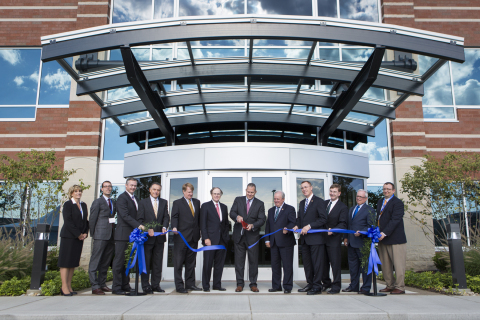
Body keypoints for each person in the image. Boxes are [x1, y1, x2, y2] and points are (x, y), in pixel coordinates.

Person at [293, 180, 328, 295]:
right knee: (307, 263)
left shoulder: (319, 201)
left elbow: (323, 219)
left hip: (316, 239)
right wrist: (297, 224)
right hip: (305, 239)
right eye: (302, 188)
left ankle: (317, 286)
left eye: (306, 187)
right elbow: (300, 218)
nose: (304, 189)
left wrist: (309, 226)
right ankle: (310, 284)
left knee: (317, 263)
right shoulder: (302, 203)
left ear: (311, 188)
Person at [230, 183, 266, 292]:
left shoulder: (260, 203)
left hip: (252, 237)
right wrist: (237, 217)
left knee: (253, 261)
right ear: (246, 190)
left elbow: (262, 219)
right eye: (248, 192)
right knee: (239, 262)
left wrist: (253, 225)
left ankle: (253, 284)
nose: (249, 194)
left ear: (255, 192)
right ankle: (239, 284)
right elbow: (231, 212)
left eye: (252, 192)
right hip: (239, 237)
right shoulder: (238, 200)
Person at [112, 178, 144, 295]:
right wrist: (138, 225)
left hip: (132, 235)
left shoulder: (136, 198)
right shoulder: (122, 198)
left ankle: (125, 285)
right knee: (119, 261)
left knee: (128, 261)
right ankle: (116, 287)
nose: (133, 187)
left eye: (135, 186)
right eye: (131, 185)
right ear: (126, 186)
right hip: (122, 235)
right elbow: (125, 216)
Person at [137, 182, 169, 294]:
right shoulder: (142, 203)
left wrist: (164, 227)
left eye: (158, 190)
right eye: (154, 189)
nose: (156, 192)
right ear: (150, 190)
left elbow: (166, 217)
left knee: (157, 262)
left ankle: (156, 285)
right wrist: (146, 229)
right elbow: (139, 219)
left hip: (159, 238)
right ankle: (145, 286)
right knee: (146, 262)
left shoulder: (164, 202)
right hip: (147, 239)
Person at [58, 185, 89, 296]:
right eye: (76, 191)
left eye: (80, 191)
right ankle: (64, 287)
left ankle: (69, 286)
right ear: (71, 193)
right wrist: (78, 234)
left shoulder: (83, 205)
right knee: (65, 262)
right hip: (69, 237)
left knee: (73, 262)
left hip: (79, 238)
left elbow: (85, 221)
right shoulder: (67, 204)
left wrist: (85, 233)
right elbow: (68, 221)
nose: (78, 193)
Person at [342, 189, 375, 294]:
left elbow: (371, 226)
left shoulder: (369, 210)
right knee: (353, 267)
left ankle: (365, 288)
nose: (358, 198)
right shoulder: (352, 209)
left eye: (361, 197)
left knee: (365, 267)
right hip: (351, 242)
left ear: (365, 198)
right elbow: (349, 225)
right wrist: (346, 237)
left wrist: (361, 232)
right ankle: (354, 286)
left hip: (362, 243)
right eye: (357, 196)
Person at [377, 182, 407, 294]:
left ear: (393, 190)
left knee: (398, 265)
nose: (386, 191)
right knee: (385, 265)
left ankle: (400, 287)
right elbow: (380, 219)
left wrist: (384, 233)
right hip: (383, 239)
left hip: (395, 239)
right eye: (384, 189)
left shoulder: (397, 203)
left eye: (388, 189)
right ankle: (389, 285)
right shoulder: (380, 202)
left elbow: (395, 220)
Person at [171, 182, 201, 293]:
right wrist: (174, 227)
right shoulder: (177, 203)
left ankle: (190, 284)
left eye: (192, 192)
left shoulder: (197, 203)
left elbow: (198, 219)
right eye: (188, 192)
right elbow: (174, 217)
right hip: (181, 238)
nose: (190, 194)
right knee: (178, 263)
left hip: (194, 238)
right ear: (183, 192)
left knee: (191, 263)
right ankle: (179, 286)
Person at [265, 191, 296, 294]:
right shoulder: (270, 210)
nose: (276, 201)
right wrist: (267, 239)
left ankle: (287, 286)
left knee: (287, 266)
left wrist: (288, 228)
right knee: (275, 265)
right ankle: (276, 286)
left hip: (286, 242)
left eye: (278, 199)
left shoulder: (290, 209)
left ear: (283, 199)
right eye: (275, 199)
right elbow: (268, 226)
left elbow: (293, 222)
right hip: (273, 242)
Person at [88, 181, 116, 295]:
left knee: (106, 261)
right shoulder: (97, 202)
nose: (108, 188)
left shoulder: (113, 202)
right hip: (100, 235)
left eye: (110, 187)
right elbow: (92, 219)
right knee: (96, 260)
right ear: (101, 189)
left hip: (111, 235)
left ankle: (102, 284)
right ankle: (95, 286)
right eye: (106, 187)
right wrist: (93, 234)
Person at [200, 187, 229, 292]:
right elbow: (202, 224)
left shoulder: (224, 207)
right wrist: (205, 238)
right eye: (214, 193)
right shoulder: (205, 206)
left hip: (222, 241)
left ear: (221, 194)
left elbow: (226, 224)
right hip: (210, 240)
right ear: (211, 194)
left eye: (218, 193)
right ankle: (206, 286)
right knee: (207, 264)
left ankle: (217, 285)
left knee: (219, 264)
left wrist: (226, 237)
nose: (216, 195)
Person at [321, 184, 348, 294]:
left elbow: (343, 224)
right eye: (331, 191)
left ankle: (336, 286)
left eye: (335, 191)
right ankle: (326, 283)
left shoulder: (343, 207)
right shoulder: (324, 203)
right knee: (323, 263)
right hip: (322, 239)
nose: (332, 193)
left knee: (335, 264)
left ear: (339, 193)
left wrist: (334, 230)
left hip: (334, 239)